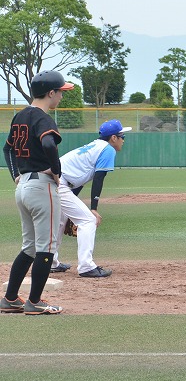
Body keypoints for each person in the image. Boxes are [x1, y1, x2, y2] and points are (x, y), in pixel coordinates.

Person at [0, 71, 73, 315]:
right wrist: (57, 171)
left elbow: (7, 149)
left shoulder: (20, 116)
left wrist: (15, 175)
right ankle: (35, 302)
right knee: (46, 247)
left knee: (30, 247)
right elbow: (49, 144)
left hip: (23, 188)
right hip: (42, 187)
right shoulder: (43, 118)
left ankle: (10, 299)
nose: (62, 96)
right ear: (50, 93)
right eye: (60, 92)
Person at [50, 119, 132, 278]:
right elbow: (99, 178)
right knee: (88, 220)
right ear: (113, 138)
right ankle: (86, 266)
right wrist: (93, 209)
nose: (123, 139)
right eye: (122, 136)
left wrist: (72, 206)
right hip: (59, 182)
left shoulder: (95, 146)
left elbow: (78, 180)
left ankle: (51, 263)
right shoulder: (108, 149)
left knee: (60, 221)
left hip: (55, 181)